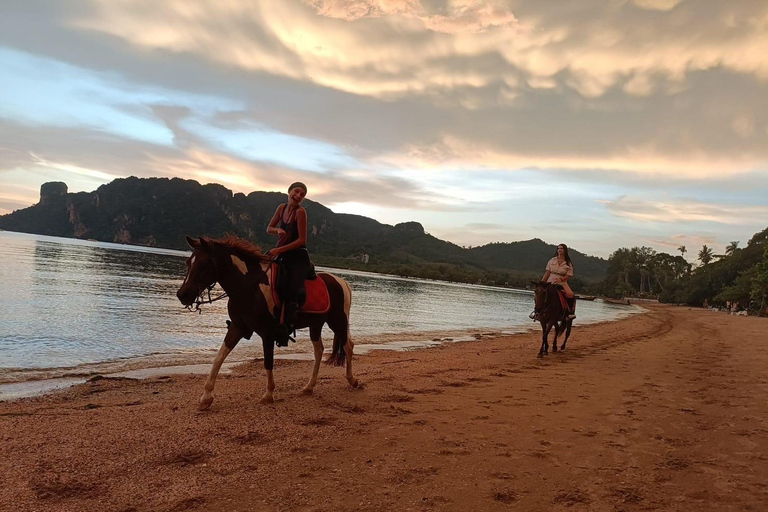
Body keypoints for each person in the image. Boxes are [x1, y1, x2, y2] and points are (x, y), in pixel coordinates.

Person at [266, 182, 314, 346]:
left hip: (297, 256)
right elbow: (269, 228)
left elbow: (302, 240)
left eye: (302, 194)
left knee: (292, 288)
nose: (299, 195)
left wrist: (279, 250)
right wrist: (277, 230)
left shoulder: (301, 212)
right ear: (289, 191)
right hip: (282, 252)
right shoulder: (281, 208)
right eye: (296, 191)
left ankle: (285, 328)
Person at [541, 243, 576, 320]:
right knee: (540, 292)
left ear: (565, 250)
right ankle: (537, 312)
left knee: (570, 294)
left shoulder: (568, 263)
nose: (559, 250)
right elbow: (547, 272)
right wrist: (542, 282)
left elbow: (569, 275)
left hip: (562, 281)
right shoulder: (552, 260)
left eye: (561, 248)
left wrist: (561, 279)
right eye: (558, 248)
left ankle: (569, 313)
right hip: (551, 279)